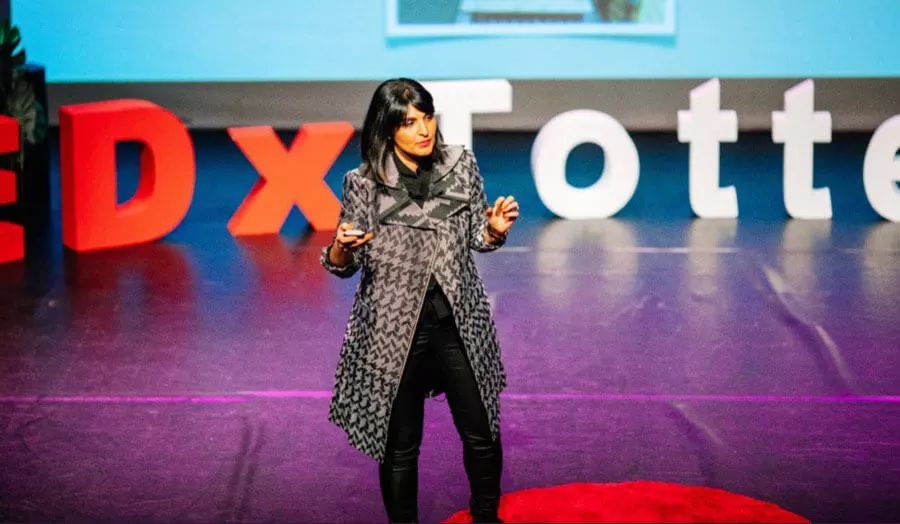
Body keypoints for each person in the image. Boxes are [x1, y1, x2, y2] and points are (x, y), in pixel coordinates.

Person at [320, 78, 519, 523]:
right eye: (409, 122)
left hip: (457, 322)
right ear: (388, 129)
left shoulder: (460, 164)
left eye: (426, 117)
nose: (423, 129)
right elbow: (342, 264)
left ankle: (487, 518)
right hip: (393, 333)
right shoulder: (364, 183)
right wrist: (341, 248)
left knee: (483, 432)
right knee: (401, 449)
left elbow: (475, 237)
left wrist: (494, 231)